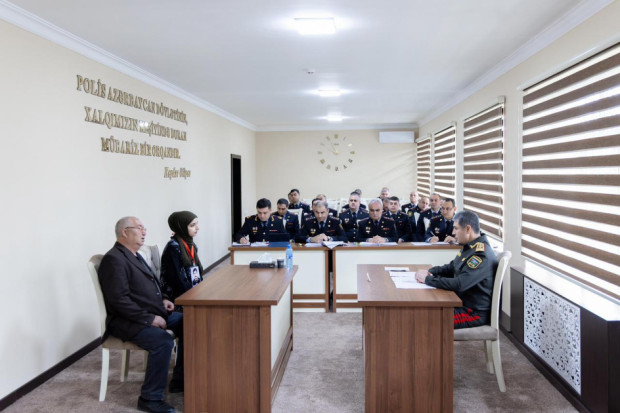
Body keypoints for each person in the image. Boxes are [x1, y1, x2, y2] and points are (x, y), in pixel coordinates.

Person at [98, 217, 183, 413]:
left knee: (190, 322)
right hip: (128, 320)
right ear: (124, 232)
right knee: (162, 342)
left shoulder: (135, 254)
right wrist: (150, 319)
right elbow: (118, 300)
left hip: (152, 311)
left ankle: (180, 379)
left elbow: (151, 285)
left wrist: (164, 299)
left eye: (144, 228)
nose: (144, 231)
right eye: (139, 228)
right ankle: (150, 398)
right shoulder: (114, 259)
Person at [415, 211, 498, 329]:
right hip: (460, 302)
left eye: (456, 228)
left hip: (472, 312)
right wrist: (430, 271)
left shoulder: (481, 255)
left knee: (426, 318)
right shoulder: (470, 246)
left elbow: (460, 284)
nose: (453, 232)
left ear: (468, 229)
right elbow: (451, 267)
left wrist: (428, 279)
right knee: (423, 309)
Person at [160, 211, 204, 307]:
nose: (197, 228)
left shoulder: (191, 244)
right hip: (178, 298)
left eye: (196, 224)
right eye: (192, 225)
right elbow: (180, 279)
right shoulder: (173, 247)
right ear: (181, 227)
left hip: (192, 291)